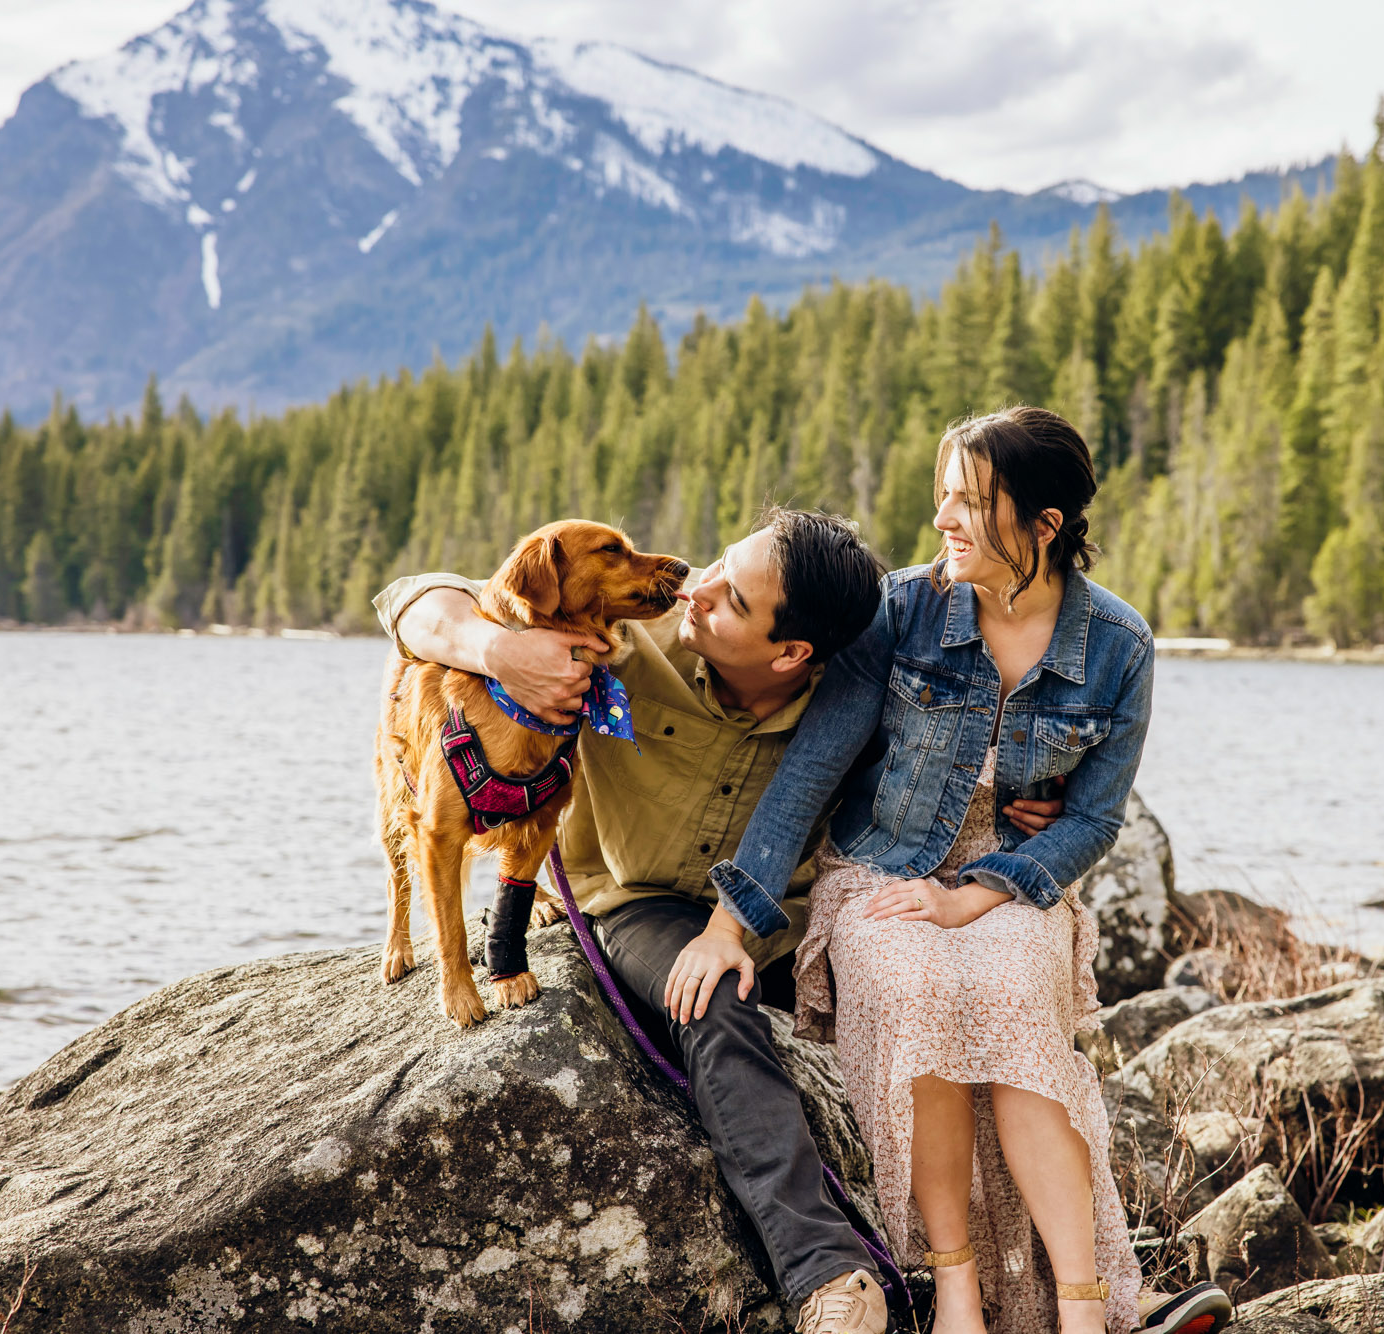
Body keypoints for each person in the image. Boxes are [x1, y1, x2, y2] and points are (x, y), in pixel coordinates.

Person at [373, 507, 1062, 1334]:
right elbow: (406, 599)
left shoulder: (852, 696)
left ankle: (1064, 1281)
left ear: (791, 653)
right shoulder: (636, 629)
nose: (697, 588)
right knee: (714, 1001)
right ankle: (830, 1278)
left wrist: (1035, 790)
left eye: (731, 595)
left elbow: (973, 734)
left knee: (964, 986)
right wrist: (498, 651)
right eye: (717, 569)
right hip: (641, 903)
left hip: (789, 911)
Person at [707, 409, 1229, 1334]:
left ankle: (1084, 1306)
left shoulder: (1118, 646)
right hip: (880, 868)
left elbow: (1098, 819)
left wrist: (977, 894)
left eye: (969, 500)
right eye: (942, 493)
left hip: (1014, 875)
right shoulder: (901, 608)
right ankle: (955, 1294)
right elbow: (810, 773)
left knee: (1018, 999)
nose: (943, 517)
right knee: (911, 994)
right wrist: (730, 922)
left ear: (1044, 525)